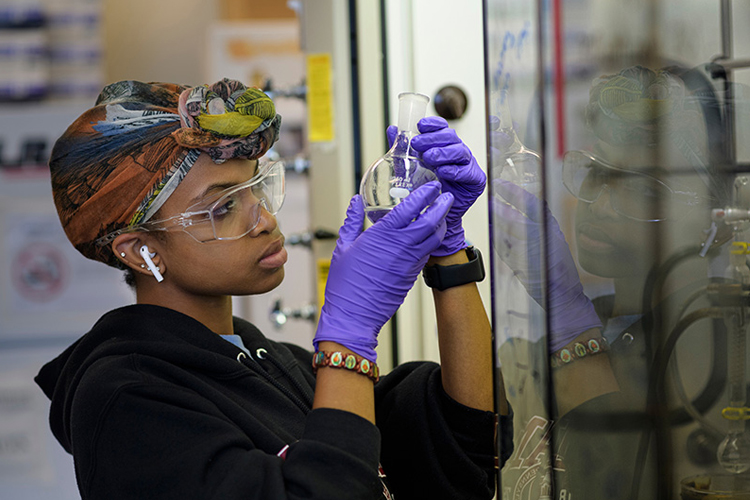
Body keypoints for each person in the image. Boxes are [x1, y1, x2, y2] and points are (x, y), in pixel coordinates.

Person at [33, 78, 513, 499]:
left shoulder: (273, 363)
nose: (265, 219)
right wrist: (348, 334)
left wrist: (447, 251)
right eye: (222, 207)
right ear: (138, 250)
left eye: (257, 188)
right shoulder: (125, 401)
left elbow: (468, 449)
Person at [492, 65, 737, 499]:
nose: (599, 206)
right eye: (598, 172)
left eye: (639, 188)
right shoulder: (603, 322)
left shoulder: (714, 350)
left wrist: (571, 324)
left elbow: (620, 481)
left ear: (709, 213)